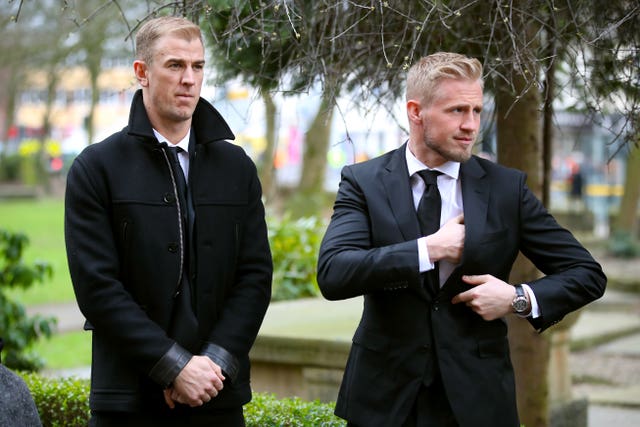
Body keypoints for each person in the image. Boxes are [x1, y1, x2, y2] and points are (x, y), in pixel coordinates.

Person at [316, 52, 606, 427]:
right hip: (383, 402)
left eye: (477, 111)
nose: (471, 125)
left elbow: (586, 274)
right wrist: (431, 248)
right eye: (456, 111)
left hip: (478, 403)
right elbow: (334, 272)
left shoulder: (506, 189)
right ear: (416, 112)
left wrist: (518, 298)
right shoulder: (363, 181)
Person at [64, 16, 272, 426]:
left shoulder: (237, 167)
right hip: (127, 400)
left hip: (217, 395)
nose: (189, 80)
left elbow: (255, 276)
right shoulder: (96, 168)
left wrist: (213, 363)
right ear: (141, 72)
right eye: (175, 65)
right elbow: (98, 288)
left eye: (198, 66)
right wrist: (173, 366)